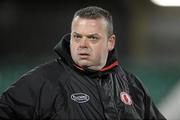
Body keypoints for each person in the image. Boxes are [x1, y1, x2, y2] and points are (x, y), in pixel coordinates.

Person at [0, 6, 166, 120]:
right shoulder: (44, 80)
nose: (82, 45)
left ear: (110, 42)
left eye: (92, 38)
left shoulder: (132, 85)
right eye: (77, 37)